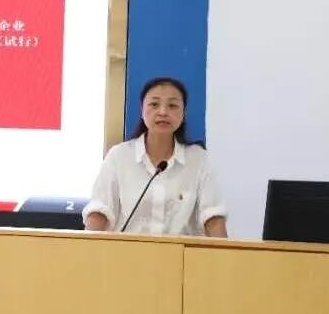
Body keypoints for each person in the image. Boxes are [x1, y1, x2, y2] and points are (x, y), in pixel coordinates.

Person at [82, 77, 228, 237]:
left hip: (181, 252)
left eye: (172, 105)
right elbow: (99, 211)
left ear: (183, 113)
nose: (163, 112)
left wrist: (222, 252)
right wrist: (86, 250)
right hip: (127, 252)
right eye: (154, 104)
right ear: (142, 110)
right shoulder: (119, 156)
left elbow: (213, 217)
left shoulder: (199, 159)